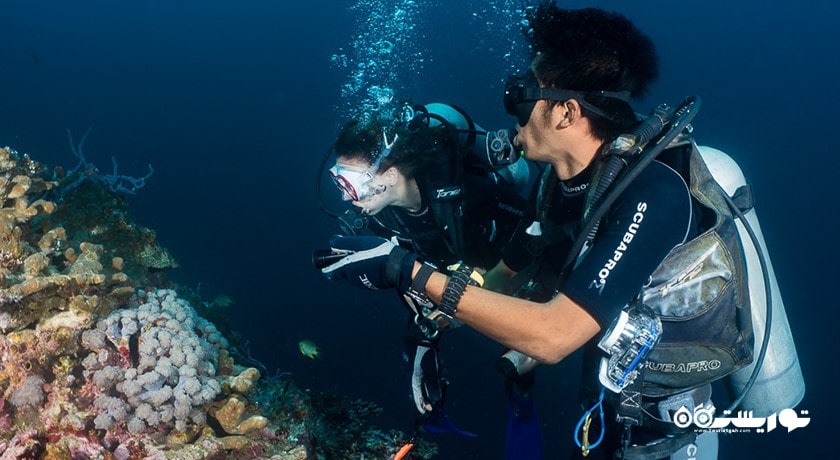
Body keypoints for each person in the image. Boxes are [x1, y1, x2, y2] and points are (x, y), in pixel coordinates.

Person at [319, 4, 803, 459]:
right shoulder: (559, 185)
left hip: (669, 430)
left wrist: (405, 269)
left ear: (566, 112)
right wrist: (432, 325)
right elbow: (503, 278)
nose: (511, 113)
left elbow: (552, 336)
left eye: (520, 95)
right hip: (607, 400)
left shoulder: (656, 189)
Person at [319, 100, 534, 439]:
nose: (348, 199)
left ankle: (522, 393)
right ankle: (438, 415)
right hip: (454, 275)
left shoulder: (462, 191)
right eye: (338, 181)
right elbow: (412, 276)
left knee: (516, 350)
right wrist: (421, 338)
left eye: (351, 184)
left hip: (505, 266)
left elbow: (531, 229)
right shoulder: (380, 215)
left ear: (390, 175)